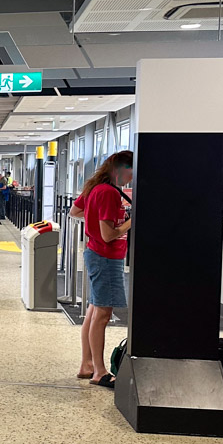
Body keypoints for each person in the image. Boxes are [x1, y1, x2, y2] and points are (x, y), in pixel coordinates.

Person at [72, 150, 134, 389]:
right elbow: (109, 235)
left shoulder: (96, 189)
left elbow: (75, 212)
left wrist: (95, 225)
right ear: (120, 170)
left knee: (94, 310)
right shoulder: (108, 192)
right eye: (130, 171)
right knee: (102, 315)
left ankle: (87, 364)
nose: (132, 177)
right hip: (106, 257)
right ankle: (99, 371)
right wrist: (131, 221)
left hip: (97, 254)